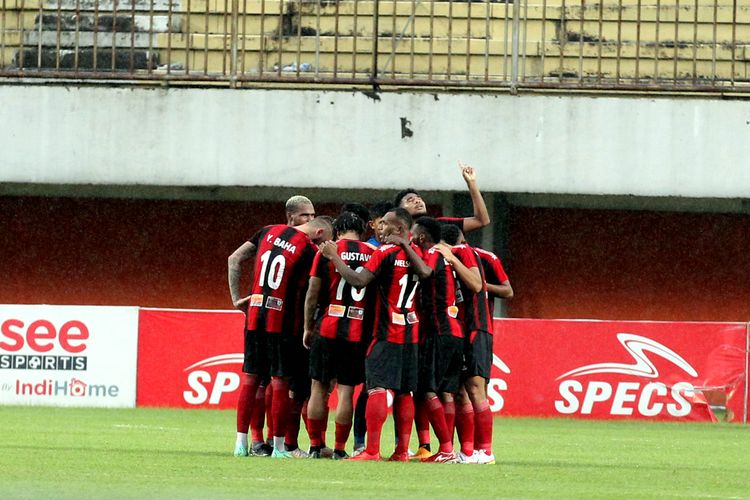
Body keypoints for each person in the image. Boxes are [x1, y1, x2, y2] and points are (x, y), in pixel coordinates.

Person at [319, 207, 432, 461]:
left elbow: (359, 281)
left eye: (386, 225)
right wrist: (406, 245)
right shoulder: (419, 254)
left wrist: (335, 258)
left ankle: (371, 450)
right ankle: (402, 451)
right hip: (410, 332)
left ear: (401, 229)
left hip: (385, 332)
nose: (381, 229)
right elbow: (425, 273)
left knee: (377, 388)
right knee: (404, 392)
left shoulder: (385, 252)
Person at [229, 216, 333, 458]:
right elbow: (313, 287)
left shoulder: (266, 230)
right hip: (283, 320)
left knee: (251, 378)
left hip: (255, 315)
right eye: (324, 241)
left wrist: (237, 299)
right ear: (319, 232)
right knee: (280, 381)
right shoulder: (308, 249)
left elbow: (234, 258)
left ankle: (240, 445)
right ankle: (278, 447)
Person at [303, 211, 375, 459]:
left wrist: (307, 326)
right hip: (356, 331)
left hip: (327, 326)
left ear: (337, 228)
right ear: (363, 228)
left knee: (318, 388)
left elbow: (313, 292)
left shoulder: (326, 250)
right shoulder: (373, 252)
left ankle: (315, 446)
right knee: (346, 391)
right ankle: (341, 449)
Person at [411, 217, 483, 463]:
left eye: (412, 234)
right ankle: (449, 451)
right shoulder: (443, 255)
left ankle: (447, 450)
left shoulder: (432, 254)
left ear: (420, 237)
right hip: (454, 331)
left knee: (428, 389)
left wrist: (403, 247)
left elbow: (426, 272)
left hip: (440, 332)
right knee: (446, 392)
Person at [442, 225, 497, 465]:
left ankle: (485, 451)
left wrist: (451, 257)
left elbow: (475, 284)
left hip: (476, 328)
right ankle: (467, 451)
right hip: (462, 331)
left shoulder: (462, 251)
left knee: (476, 389)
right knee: (461, 392)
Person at [393, 162, 490, 234]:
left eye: (418, 198)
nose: (417, 201)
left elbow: (481, 221)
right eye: (410, 200)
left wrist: (471, 183)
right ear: (400, 211)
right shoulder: (396, 234)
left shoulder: (441, 225)